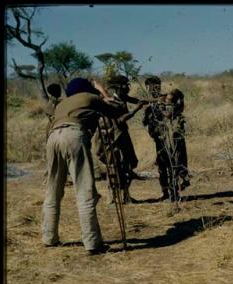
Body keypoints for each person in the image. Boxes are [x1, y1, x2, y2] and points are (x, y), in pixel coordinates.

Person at [41, 77, 125, 255]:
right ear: (86, 89)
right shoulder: (89, 97)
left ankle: (49, 238)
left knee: (53, 191)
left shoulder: (62, 104)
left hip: (53, 138)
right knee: (84, 190)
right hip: (74, 135)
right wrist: (103, 92)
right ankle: (92, 243)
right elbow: (117, 111)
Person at [93, 75, 145, 204]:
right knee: (114, 166)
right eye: (125, 86)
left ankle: (126, 195)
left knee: (128, 164)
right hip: (112, 138)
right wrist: (136, 110)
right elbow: (120, 119)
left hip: (122, 135)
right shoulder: (110, 102)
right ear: (119, 88)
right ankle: (113, 197)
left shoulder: (121, 98)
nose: (128, 88)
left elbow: (136, 100)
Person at [142, 76, 190, 202]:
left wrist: (166, 104)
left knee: (174, 164)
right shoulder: (149, 105)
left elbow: (177, 108)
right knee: (162, 165)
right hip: (160, 139)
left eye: (156, 87)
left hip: (173, 138)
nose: (153, 90)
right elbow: (146, 122)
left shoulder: (168, 98)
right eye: (150, 88)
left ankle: (175, 192)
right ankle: (165, 192)